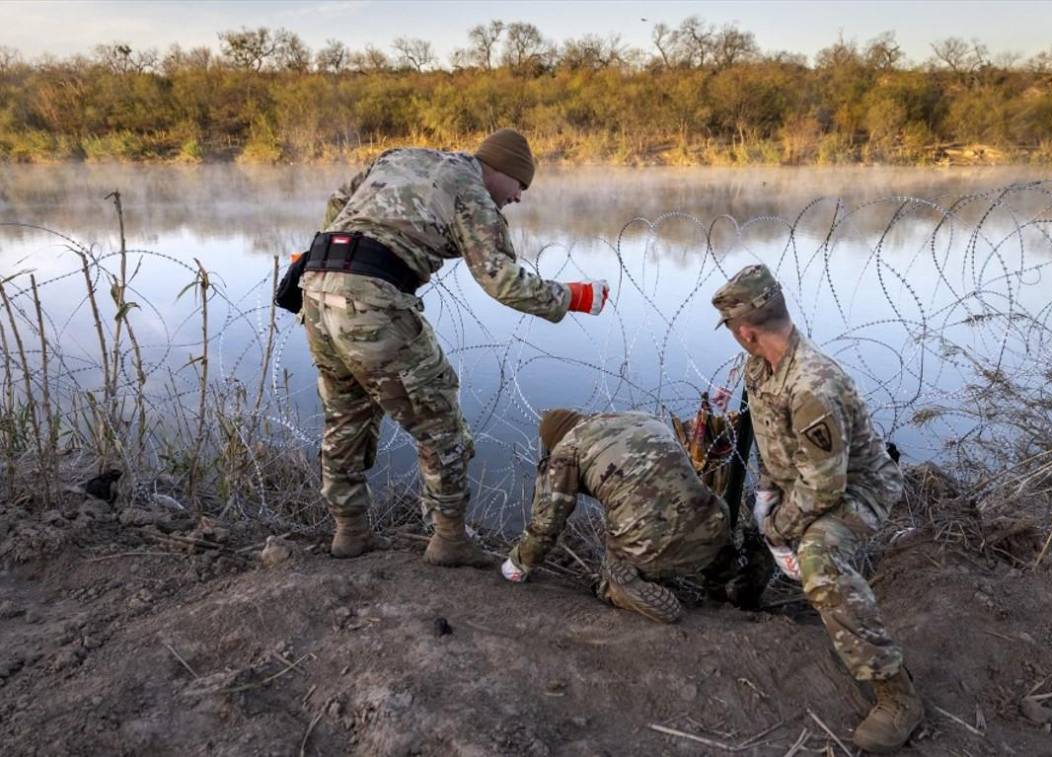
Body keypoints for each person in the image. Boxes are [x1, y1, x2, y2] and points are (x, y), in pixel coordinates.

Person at [301, 129, 609, 565]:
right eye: (521, 185)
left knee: (345, 417)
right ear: (501, 170)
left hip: (315, 289)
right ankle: (449, 540)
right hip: (372, 301)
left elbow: (338, 202)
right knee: (439, 423)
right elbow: (501, 280)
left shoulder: (401, 156)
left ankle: (349, 532)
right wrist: (574, 297)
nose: (518, 198)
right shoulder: (471, 190)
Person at [711, 264, 921, 753]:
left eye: (732, 332)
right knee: (765, 524)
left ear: (746, 331)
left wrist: (780, 527)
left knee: (818, 557)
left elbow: (825, 490)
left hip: (858, 488)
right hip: (807, 480)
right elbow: (774, 444)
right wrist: (765, 497)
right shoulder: (762, 364)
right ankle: (751, 591)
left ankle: (897, 694)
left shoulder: (811, 386)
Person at [499, 409, 747, 623]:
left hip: (654, 543)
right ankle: (728, 587)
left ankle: (624, 589)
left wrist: (519, 563)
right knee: (704, 539)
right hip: (714, 524)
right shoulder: (638, 418)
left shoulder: (567, 448)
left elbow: (547, 522)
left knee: (611, 577)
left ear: (553, 440)